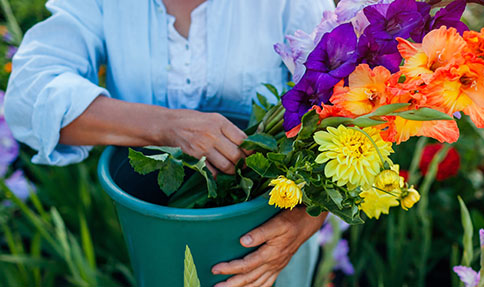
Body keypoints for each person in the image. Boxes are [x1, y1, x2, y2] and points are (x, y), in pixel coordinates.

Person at [4, 0, 334, 286]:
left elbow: (347, 116)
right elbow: (28, 94)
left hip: (267, 245)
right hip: (156, 240)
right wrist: (166, 125)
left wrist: (303, 221)